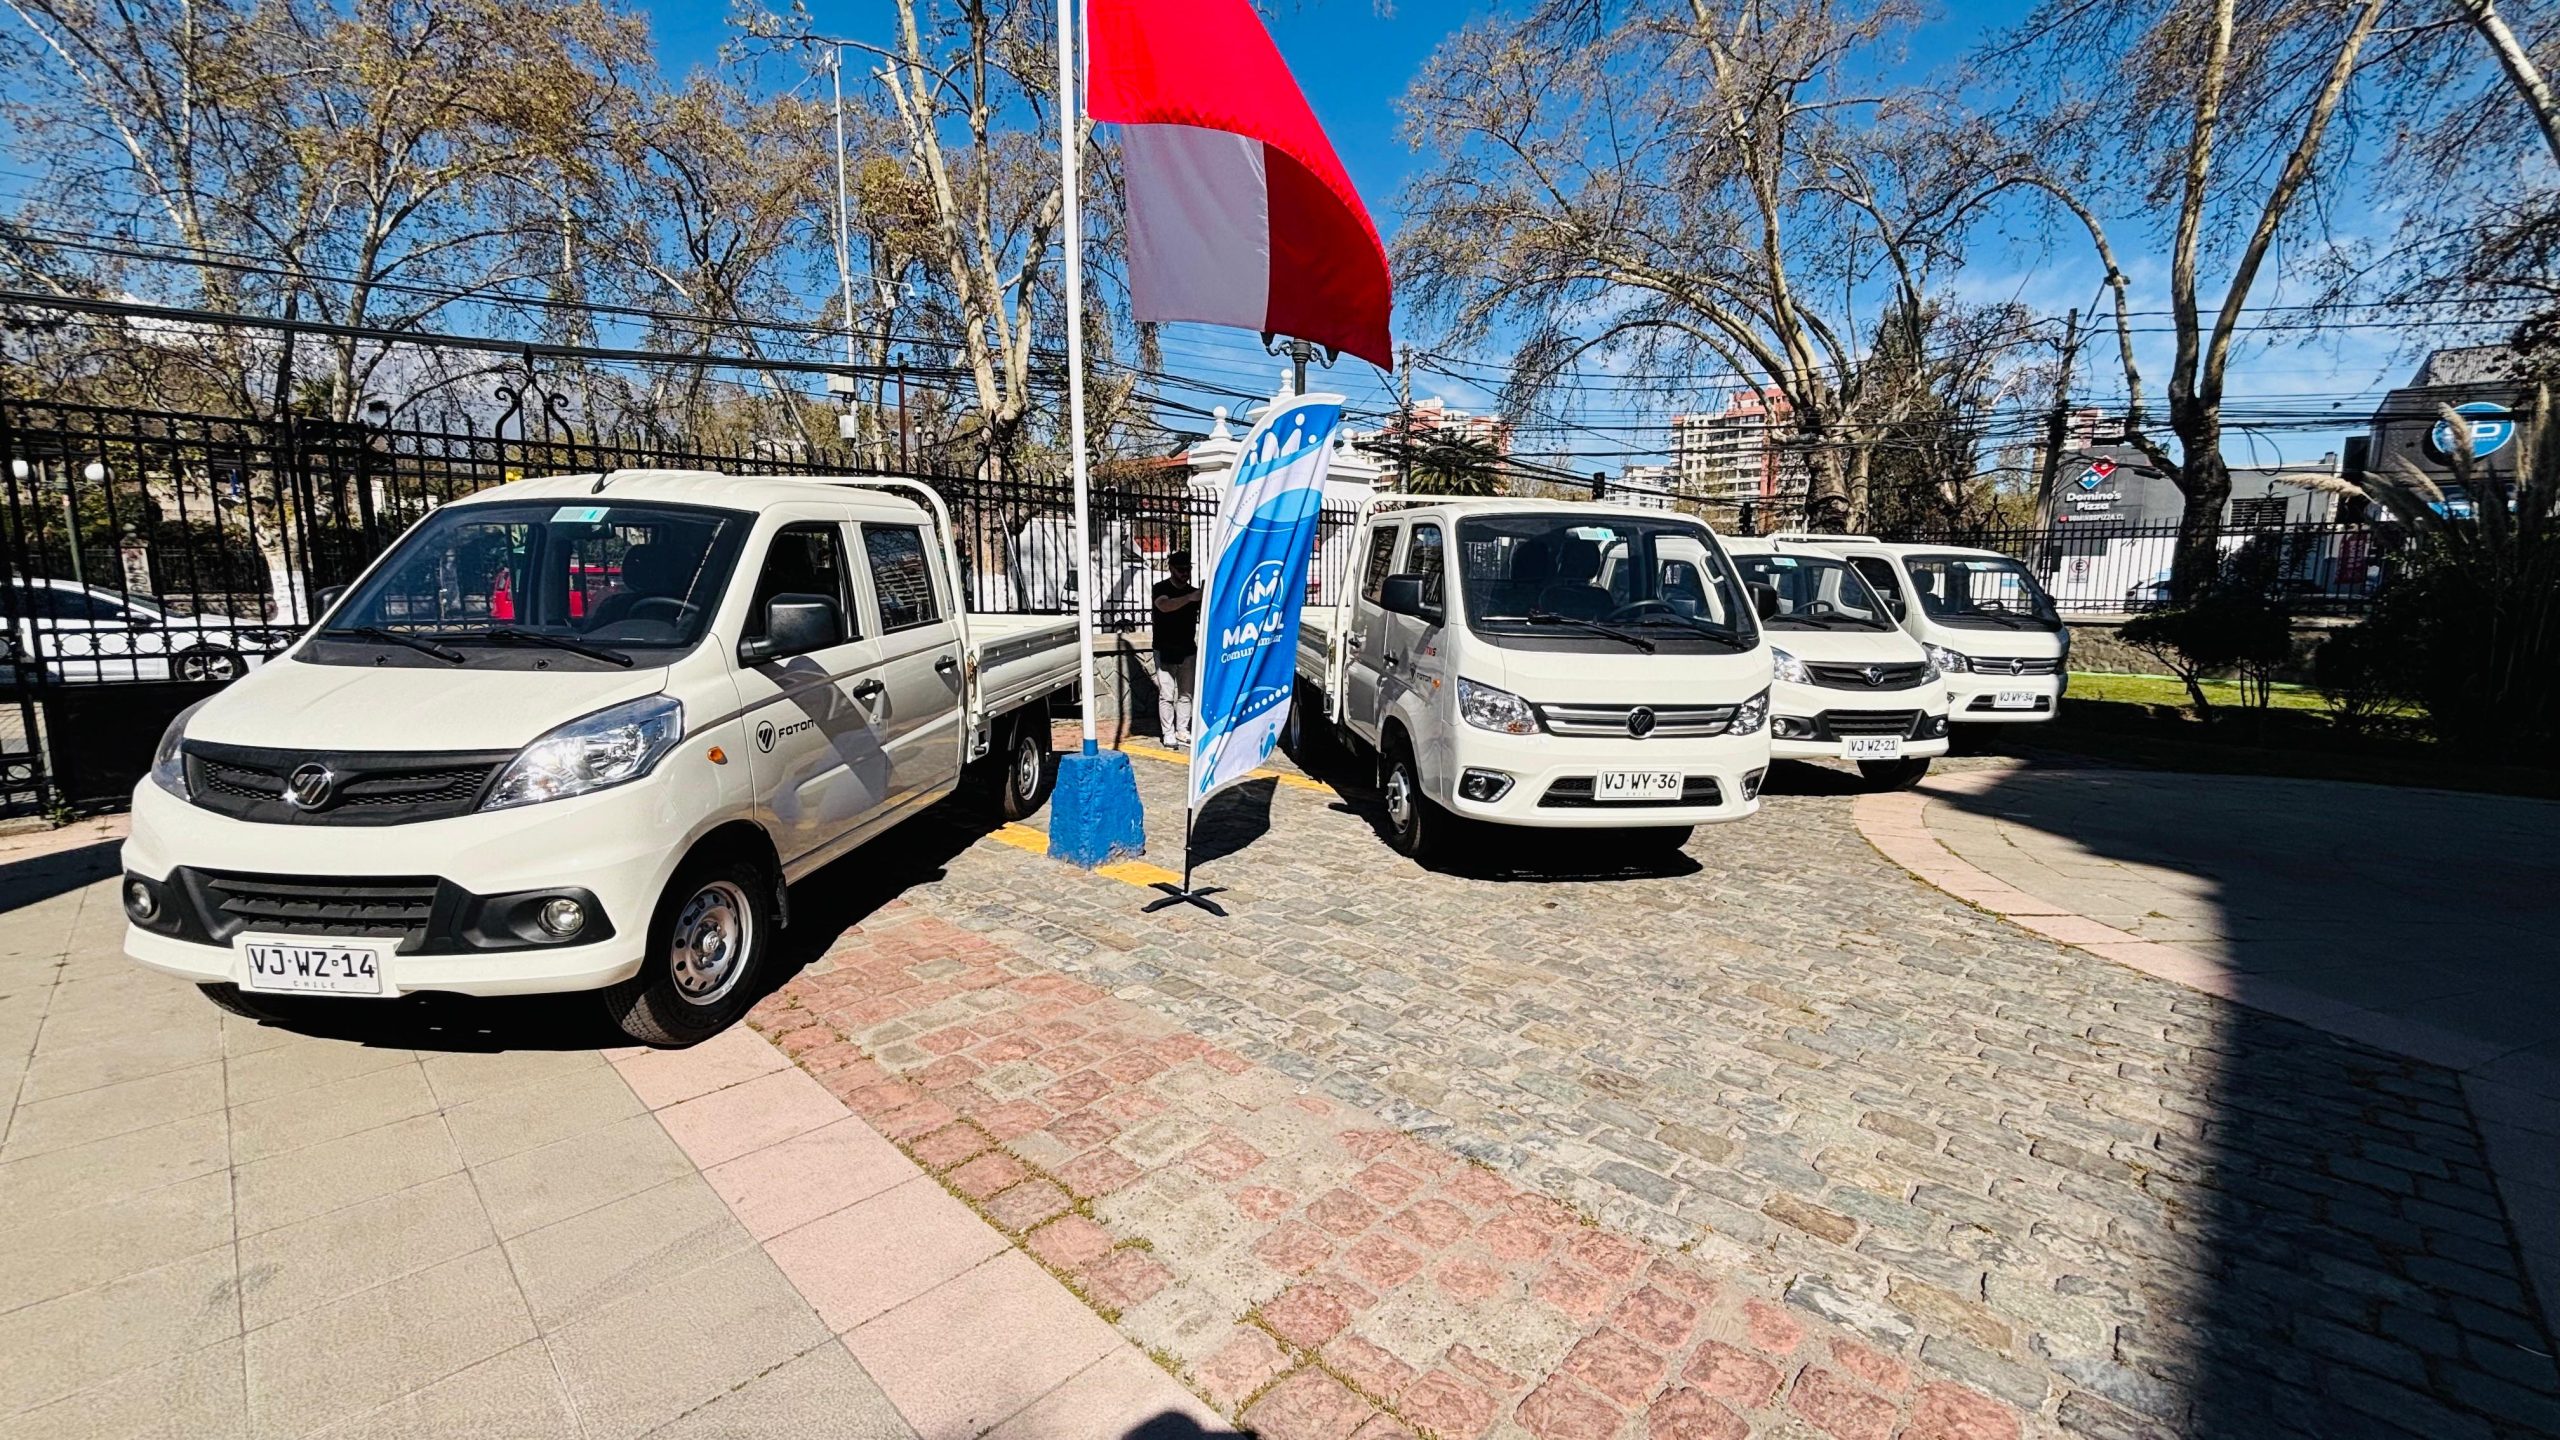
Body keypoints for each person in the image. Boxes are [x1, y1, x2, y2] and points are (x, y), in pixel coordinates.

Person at [1151, 549, 1202, 747]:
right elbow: (1164, 605)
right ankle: (1168, 733)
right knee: (1166, 694)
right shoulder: (1160, 588)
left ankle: (1182, 730)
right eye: (1180, 569)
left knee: (1186, 694)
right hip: (1164, 649)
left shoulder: (1194, 592)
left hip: (1187, 649)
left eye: (1188, 569)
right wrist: (1190, 598)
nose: (1185, 573)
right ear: (1171, 568)